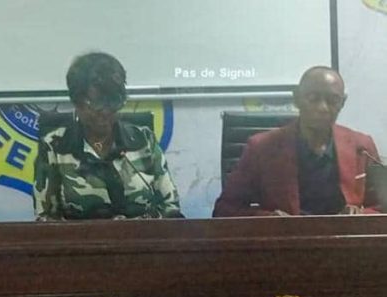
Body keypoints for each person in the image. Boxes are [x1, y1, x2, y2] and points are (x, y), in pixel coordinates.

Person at [213, 66, 381, 217]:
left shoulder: (361, 146)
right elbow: (224, 209)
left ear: (342, 103)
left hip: (346, 238)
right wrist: (266, 219)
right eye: (313, 98)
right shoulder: (262, 147)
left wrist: (361, 215)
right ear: (297, 99)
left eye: (332, 100)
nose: (322, 107)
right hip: (286, 238)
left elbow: (382, 206)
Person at [33, 52, 182, 220]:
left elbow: (171, 209)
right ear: (77, 102)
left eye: (112, 103)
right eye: (96, 104)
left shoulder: (143, 140)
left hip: (142, 236)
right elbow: (45, 219)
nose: (105, 112)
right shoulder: (55, 147)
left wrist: (138, 227)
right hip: (82, 237)